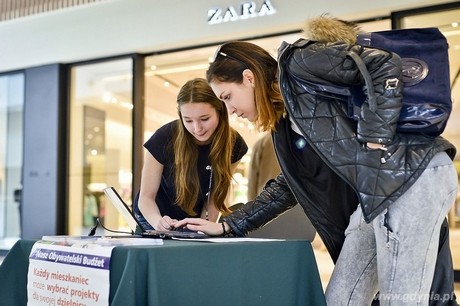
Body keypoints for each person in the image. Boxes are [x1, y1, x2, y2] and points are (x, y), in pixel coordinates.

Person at [174, 16, 458, 305]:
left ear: (248, 78)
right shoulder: (287, 121)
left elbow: (384, 64)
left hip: (411, 175)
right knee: (341, 300)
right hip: (377, 191)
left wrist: (377, 132)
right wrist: (228, 226)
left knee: (402, 300)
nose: (229, 109)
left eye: (227, 96)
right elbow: (288, 187)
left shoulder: (298, 62)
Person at [134, 78, 248, 231]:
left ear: (220, 111)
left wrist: (202, 229)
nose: (197, 128)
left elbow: (215, 196)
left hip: (192, 218)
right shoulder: (164, 137)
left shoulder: (234, 144)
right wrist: (158, 222)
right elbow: (146, 198)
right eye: (188, 120)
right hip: (153, 217)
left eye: (205, 119)